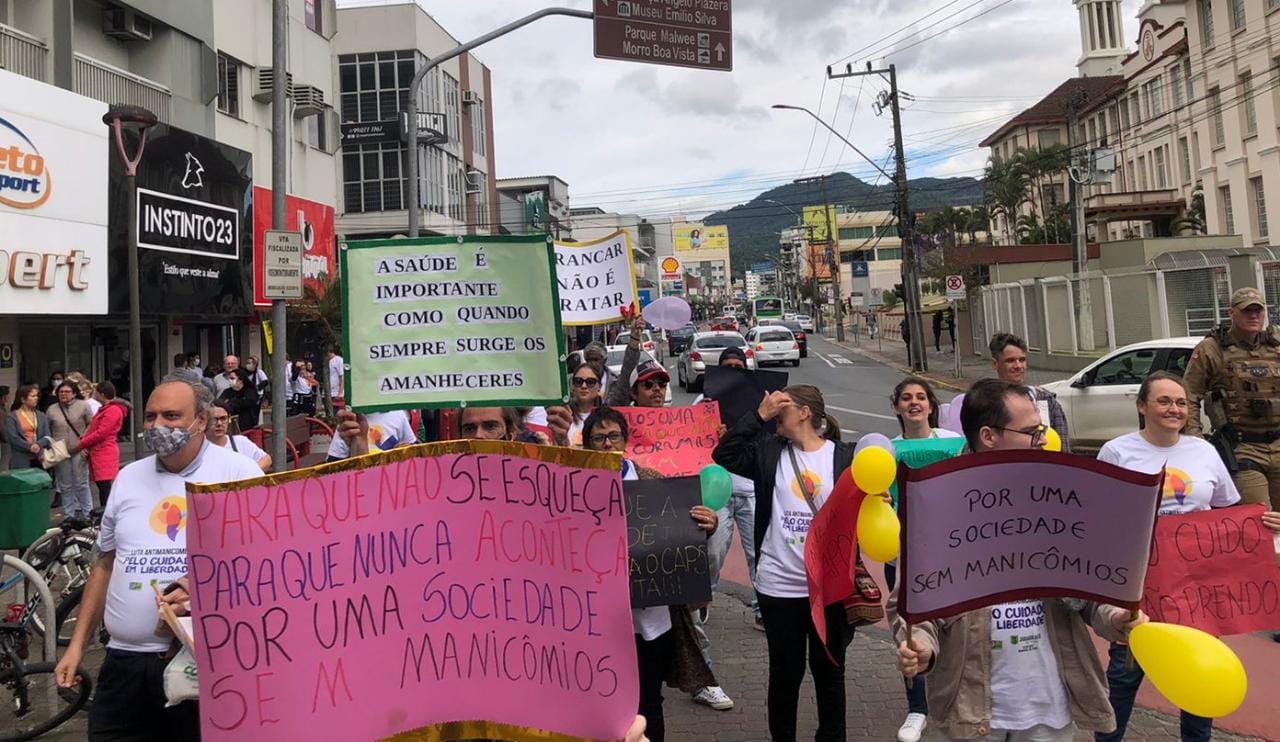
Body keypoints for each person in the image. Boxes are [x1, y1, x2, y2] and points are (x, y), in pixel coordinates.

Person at [895, 378, 1148, 742]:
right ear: (989, 436)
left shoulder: (1064, 499)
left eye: (1041, 429)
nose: (1044, 439)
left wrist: (1119, 616)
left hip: (1050, 707)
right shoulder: (937, 502)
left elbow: (1092, 596)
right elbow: (913, 604)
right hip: (972, 709)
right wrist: (921, 646)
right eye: (1031, 432)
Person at [54, 376, 263, 740]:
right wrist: (77, 645)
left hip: (201, 665)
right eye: (151, 417)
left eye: (171, 416)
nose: (157, 426)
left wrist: (200, 592)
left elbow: (263, 567)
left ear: (200, 420)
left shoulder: (238, 474)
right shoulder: (128, 478)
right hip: (122, 665)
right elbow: (105, 564)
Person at [1094, 371, 1280, 742]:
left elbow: (1224, 511)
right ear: (1141, 406)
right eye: (1164, 401)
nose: (1174, 409)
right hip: (1140, 584)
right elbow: (1100, 516)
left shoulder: (1204, 451)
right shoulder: (1117, 451)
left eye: (1180, 402)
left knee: (1198, 673)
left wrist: (1261, 523)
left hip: (1196, 589)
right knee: (1125, 675)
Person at [713, 385, 857, 742]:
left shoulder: (843, 457)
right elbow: (725, 454)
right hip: (779, 585)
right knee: (785, 674)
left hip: (828, 587)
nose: (777, 411)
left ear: (805, 412)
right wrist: (758, 415)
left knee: (829, 672)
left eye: (784, 406)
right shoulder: (768, 451)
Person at [583, 406, 719, 742]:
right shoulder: (575, 491)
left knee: (648, 703)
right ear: (586, 445)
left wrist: (707, 526)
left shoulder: (653, 484)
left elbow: (679, 540)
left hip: (651, 622)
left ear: (625, 441)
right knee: (601, 706)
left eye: (613, 436)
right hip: (599, 624)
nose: (606, 444)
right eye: (598, 438)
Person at [886, 376, 962, 742]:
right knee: (910, 625)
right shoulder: (885, 450)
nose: (914, 403)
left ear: (932, 406)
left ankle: (954, 694)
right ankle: (917, 708)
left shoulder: (955, 443)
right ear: (897, 407)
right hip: (902, 549)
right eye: (906, 398)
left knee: (956, 624)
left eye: (920, 397)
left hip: (953, 546)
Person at [1184, 287, 1280, 509]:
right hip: (1243, 448)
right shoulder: (1212, 348)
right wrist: (1196, 442)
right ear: (1232, 313)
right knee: (1259, 519)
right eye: (1247, 311)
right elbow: (1189, 395)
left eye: (1258, 310)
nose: (1253, 316)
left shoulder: (1275, 345)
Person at [76, 382, 129, 509]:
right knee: (102, 486)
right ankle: (104, 514)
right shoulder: (106, 409)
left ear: (102, 394)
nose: (94, 395)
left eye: (96, 392)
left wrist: (83, 443)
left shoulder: (113, 410)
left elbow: (102, 432)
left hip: (104, 451)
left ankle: (106, 514)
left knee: (105, 486)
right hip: (99, 451)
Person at [49, 380, 94, 520]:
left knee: (81, 483)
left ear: (74, 393)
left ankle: (88, 514)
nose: (63, 394)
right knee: (65, 485)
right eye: (61, 392)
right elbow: (47, 429)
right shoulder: (52, 409)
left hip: (79, 449)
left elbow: (92, 425)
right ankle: (69, 515)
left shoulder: (83, 406)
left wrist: (85, 444)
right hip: (60, 451)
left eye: (67, 391)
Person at [205, 400, 272, 472]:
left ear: (229, 419)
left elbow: (266, 459)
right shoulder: (198, 446)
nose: (219, 423)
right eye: (214, 419)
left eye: (223, 418)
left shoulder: (240, 442)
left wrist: (249, 473)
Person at [327, 408, 417, 460]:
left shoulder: (398, 415)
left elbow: (415, 452)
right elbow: (333, 469)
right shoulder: (350, 422)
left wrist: (404, 453)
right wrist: (358, 445)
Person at [5, 384, 49, 469]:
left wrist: (38, 445)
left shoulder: (41, 415)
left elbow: (47, 436)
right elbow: (13, 438)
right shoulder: (12, 417)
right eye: (32, 396)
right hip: (21, 457)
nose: (36, 398)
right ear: (23, 399)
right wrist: (29, 447)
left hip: (39, 457)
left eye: (36, 396)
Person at [567, 362, 605, 447]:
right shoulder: (563, 415)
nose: (584, 386)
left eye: (590, 382)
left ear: (599, 386)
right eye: (578, 381)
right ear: (572, 386)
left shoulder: (608, 417)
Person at [216, 367, 260, 433]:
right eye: (229, 378)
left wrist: (232, 402)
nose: (230, 380)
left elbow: (248, 402)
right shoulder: (227, 391)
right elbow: (220, 403)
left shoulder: (250, 391)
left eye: (232, 378)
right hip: (230, 426)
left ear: (240, 380)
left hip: (248, 427)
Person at [326, 346, 345, 410]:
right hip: (329, 392)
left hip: (336, 392)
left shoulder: (338, 360)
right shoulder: (327, 361)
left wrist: (340, 392)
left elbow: (341, 376)